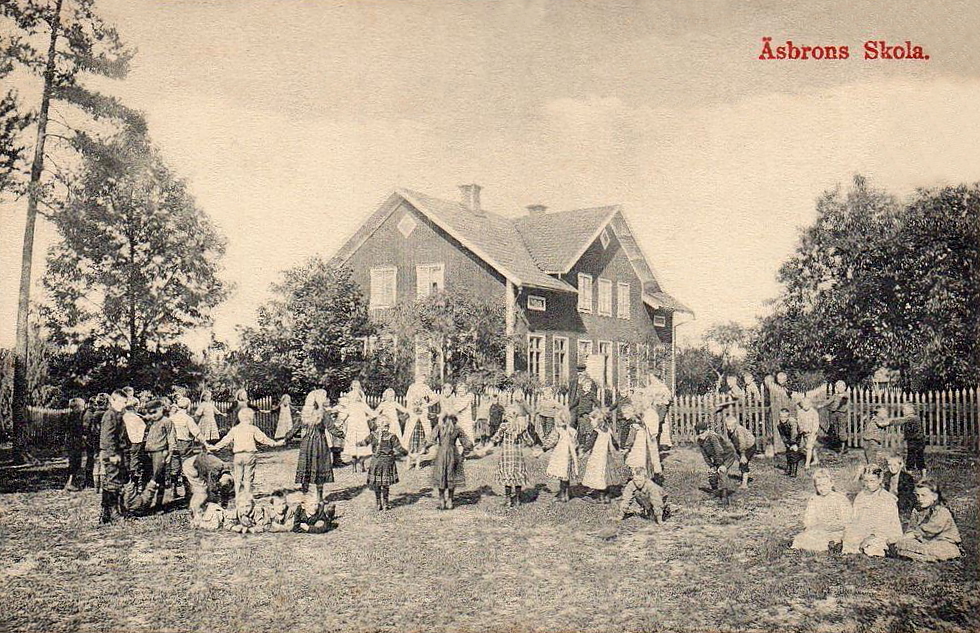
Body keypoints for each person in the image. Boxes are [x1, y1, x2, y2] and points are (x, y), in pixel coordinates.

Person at [282, 389, 345, 508]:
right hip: (319, 444)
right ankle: (320, 498)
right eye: (325, 397)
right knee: (319, 469)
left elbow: (295, 429)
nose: (326, 400)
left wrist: (286, 439)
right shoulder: (323, 413)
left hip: (306, 444)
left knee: (306, 467)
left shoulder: (305, 413)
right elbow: (332, 429)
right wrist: (344, 434)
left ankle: (305, 496)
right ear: (319, 400)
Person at [206, 408, 284, 502]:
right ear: (250, 418)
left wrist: (215, 447)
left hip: (238, 456)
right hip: (249, 455)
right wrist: (274, 443)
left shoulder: (235, 429)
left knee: (238, 477)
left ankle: (238, 496)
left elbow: (225, 440)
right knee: (248, 476)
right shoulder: (253, 429)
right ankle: (247, 496)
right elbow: (263, 439)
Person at [891, 478, 962, 562]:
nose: (920, 499)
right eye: (917, 495)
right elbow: (911, 529)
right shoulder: (917, 511)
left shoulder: (942, 512)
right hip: (923, 542)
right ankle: (921, 555)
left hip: (943, 542)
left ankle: (921, 555)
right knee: (902, 544)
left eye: (923, 495)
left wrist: (899, 539)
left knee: (934, 549)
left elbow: (927, 531)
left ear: (934, 497)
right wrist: (905, 538)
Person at [842, 465, 903, 556]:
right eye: (866, 481)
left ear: (880, 480)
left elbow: (886, 524)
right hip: (864, 529)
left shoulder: (887, 498)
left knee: (873, 547)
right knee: (849, 539)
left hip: (883, 532)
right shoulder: (861, 495)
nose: (868, 484)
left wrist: (871, 536)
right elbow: (855, 518)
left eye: (872, 481)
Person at [791, 468, 852, 552]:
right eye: (818, 485)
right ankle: (795, 550)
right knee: (800, 539)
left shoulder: (840, 499)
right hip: (819, 530)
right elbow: (808, 519)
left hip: (836, 530)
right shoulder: (814, 499)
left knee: (839, 537)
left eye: (824, 485)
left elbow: (847, 521)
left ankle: (834, 545)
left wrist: (830, 527)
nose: (822, 488)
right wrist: (812, 526)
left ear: (831, 483)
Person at [426, 413, 474, 510]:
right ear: (455, 420)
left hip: (441, 453)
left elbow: (431, 440)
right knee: (452, 475)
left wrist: (423, 448)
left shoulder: (439, 428)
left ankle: (441, 500)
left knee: (441, 475)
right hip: (453, 453)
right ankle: (450, 500)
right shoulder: (457, 428)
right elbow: (467, 443)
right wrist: (465, 453)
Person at [358, 417, 407, 512]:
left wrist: (356, 443)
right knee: (385, 483)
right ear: (387, 426)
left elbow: (364, 443)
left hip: (376, 462)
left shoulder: (372, 435)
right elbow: (399, 448)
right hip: (387, 462)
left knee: (377, 483)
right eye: (387, 425)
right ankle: (385, 503)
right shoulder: (392, 436)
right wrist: (407, 453)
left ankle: (378, 503)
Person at [492, 404, 534, 507]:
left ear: (506, 416)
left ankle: (508, 499)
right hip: (517, 456)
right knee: (517, 475)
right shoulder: (521, 427)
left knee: (507, 475)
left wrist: (486, 447)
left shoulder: (504, 426)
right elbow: (530, 441)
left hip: (506, 456)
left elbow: (496, 438)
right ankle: (518, 499)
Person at [99, 390, 130, 523]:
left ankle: (106, 514)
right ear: (112, 400)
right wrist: (112, 454)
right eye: (121, 402)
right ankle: (113, 513)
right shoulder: (110, 415)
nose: (123, 405)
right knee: (113, 481)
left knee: (113, 481)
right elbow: (107, 437)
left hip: (118, 452)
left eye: (125, 402)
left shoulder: (117, 414)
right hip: (113, 453)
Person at [582, 409, 625, 504]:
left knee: (597, 474)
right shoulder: (608, 430)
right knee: (604, 474)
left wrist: (583, 450)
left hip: (597, 456)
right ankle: (605, 494)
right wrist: (617, 448)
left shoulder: (596, 431)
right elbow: (614, 441)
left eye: (592, 420)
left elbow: (590, 443)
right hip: (605, 456)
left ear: (598, 420)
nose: (591, 422)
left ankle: (600, 497)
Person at [183, 450, 234, 525]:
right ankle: (194, 516)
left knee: (203, 491)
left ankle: (194, 511)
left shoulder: (225, 470)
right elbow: (212, 487)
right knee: (202, 493)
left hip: (195, 463)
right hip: (191, 467)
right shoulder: (215, 468)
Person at [141, 399, 175, 511]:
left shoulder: (167, 421)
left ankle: (159, 504)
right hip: (149, 452)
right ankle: (146, 502)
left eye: (154, 412)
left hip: (160, 452)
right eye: (150, 413)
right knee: (148, 476)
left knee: (158, 477)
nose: (152, 416)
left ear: (161, 409)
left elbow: (171, 438)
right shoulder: (151, 422)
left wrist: (170, 453)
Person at [695, 419, 738, 504]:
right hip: (717, 457)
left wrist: (721, 464)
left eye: (703, 432)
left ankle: (724, 496)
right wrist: (711, 465)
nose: (701, 435)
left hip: (727, 455)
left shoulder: (712, 437)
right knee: (712, 472)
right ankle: (715, 492)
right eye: (699, 433)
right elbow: (705, 455)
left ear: (707, 431)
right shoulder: (700, 441)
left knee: (722, 472)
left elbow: (719, 451)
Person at [170, 396, 204, 499]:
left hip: (174, 445)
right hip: (185, 445)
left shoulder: (171, 418)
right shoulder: (188, 419)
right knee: (187, 467)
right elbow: (196, 433)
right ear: (188, 406)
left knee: (174, 468)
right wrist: (205, 443)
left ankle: (174, 491)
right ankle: (188, 493)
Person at [623, 403, 663, 485]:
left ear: (631, 413)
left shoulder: (635, 425)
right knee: (642, 462)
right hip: (643, 447)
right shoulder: (641, 423)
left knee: (635, 463)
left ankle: (638, 480)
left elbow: (631, 439)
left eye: (626, 413)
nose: (624, 416)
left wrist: (626, 448)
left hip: (637, 448)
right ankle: (643, 478)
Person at [339, 387, 376, 473]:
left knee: (356, 447)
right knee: (360, 448)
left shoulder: (353, 405)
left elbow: (343, 416)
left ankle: (356, 467)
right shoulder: (360, 405)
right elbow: (373, 414)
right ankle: (359, 466)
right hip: (359, 427)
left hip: (357, 427)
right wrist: (367, 418)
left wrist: (341, 422)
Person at [545, 413, 579, 502]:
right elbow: (576, 444)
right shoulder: (572, 431)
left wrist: (544, 448)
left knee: (561, 474)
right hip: (569, 455)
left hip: (560, 456)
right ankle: (566, 494)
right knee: (565, 475)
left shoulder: (557, 430)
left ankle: (562, 494)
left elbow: (551, 441)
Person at [724, 413, 756, 489]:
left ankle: (745, 484)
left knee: (743, 463)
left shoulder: (739, 430)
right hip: (741, 447)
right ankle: (743, 480)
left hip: (749, 446)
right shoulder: (730, 432)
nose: (729, 428)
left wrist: (743, 455)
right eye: (727, 426)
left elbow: (742, 443)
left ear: (735, 425)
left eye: (731, 426)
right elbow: (734, 442)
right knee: (741, 463)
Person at [83, 394, 108, 490]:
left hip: (95, 439)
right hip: (103, 439)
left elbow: (91, 429)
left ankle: (96, 486)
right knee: (103, 462)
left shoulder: (94, 414)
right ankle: (102, 486)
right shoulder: (105, 414)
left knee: (96, 461)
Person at [569, 375, 598, 453]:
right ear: (582, 387)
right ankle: (580, 445)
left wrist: (599, 408)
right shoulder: (581, 395)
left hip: (587, 415)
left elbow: (597, 402)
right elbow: (575, 403)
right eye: (585, 386)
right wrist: (568, 408)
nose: (587, 388)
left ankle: (588, 446)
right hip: (580, 415)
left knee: (589, 430)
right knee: (581, 430)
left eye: (589, 386)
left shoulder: (591, 395)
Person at [64, 397, 87, 491]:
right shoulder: (76, 417)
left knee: (74, 462)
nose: (83, 408)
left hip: (72, 441)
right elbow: (78, 430)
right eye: (81, 406)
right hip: (75, 442)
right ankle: (72, 482)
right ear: (76, 407)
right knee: (75, 462)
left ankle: (71, 481)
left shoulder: (70, 416)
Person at [883, 454, 917, 518]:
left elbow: (906, 495)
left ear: (901, 465)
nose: (892, 468)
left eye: (895, 465)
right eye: (889, 465)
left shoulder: (907, 478)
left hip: (901, 503)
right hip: (888, 501)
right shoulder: (886, 476)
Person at [896, 403, 927, 474]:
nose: (903, 411)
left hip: (915, 441)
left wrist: (906, 437)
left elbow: (915, 432)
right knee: (918, 457)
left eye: (905, 409)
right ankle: (921, 475)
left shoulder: (912, 418)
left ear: (911, 410)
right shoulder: (913, 418)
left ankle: (910, 474)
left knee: (911, 458)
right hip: (917, 440)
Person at [820, 381, 848, 455]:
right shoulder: (835, 395)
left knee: (841, 431)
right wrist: (821, 405)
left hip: (842, 415)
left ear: (844, 387)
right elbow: (828, 401)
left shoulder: (846, 396)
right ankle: (838, 447)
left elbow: (842, 403)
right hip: (834, 415)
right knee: (835, 430)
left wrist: (835, 408)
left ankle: (843, 448)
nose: (839, 389)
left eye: (841, 387)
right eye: (838, 387)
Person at [777, 408, 803, 477]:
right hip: (788, 436)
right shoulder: (779, 424)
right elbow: (782, 435)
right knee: (788, 452)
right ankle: (788, 469)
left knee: (794, 453)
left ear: (788, 417)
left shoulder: (792, 422)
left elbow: (794, 433)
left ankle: (793, 472)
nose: (782, 418)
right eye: (781, 417)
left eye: (785, 417)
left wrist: (793, 443)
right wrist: (786, 443)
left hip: (796, 436)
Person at [797, 397, 821, 470]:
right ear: (801, 405)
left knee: (809, 447)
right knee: (811, 446)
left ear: (810, 404)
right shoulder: (800, 412)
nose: (806, 406)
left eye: (807, 404)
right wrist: (801, 429)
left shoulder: (814, 412)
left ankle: (807, 464)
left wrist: (814, 431)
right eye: (804, 404)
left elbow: (816, 423)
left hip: (812, 433)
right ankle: (816, 459)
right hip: (804, 432)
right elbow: (799, 421)